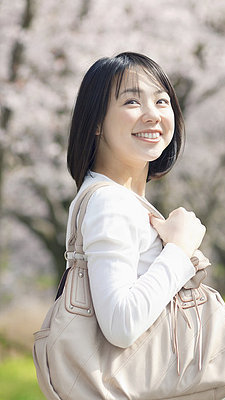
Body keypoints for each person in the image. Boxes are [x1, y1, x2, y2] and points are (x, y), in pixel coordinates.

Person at [65, 51, 206, 348]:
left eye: (161, 101)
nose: (152, 114)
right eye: (131, 101)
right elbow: (121, 324)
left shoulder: (118, 198)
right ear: (96, 122)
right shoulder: (109, 203)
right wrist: (179, 250)